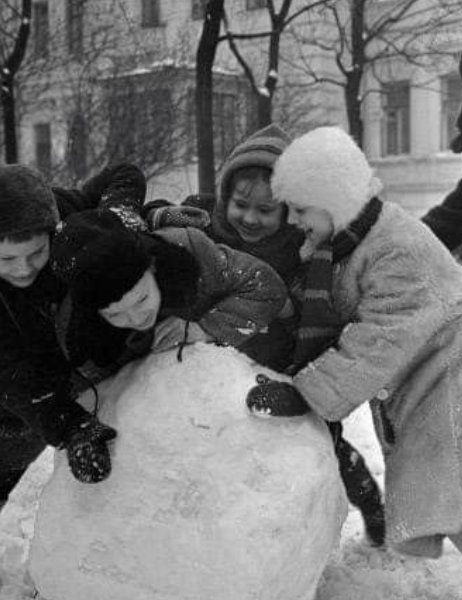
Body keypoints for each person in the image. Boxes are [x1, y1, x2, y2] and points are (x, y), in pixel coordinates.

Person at [0, 161, 146, 600]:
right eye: (7, 259)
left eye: (37, 253)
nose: (24, 268)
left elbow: (124, 173)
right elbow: (1, 367)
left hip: (48, 372)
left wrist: (118, 218)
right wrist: (67, 425)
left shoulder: (65, 210)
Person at [148, 124, 386, 547]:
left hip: (279, 365)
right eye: (241, 204)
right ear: (226, 197)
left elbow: (312, 310)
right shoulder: (206, 226)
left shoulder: (302, 250)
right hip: (215, 365)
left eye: (266, 210)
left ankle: (367, 501)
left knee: (326, 445)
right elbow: (163, 227)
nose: (250, 218)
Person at [245, 125, 462, 559]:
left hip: (451, 387)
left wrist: (308, 392)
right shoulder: (350, 244)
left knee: (452, 491)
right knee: (448, 494)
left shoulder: (396, 248)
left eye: (302, 208)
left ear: (335, 202)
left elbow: (378, 339)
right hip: (429, 387)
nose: (294, 220)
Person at [50, 209, 292, 383]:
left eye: (141, 299)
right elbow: (101, 394)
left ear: (151, 265)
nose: (135, 318)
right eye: (115, 314)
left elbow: (265, 286)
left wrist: (207, 329)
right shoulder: (80, 340)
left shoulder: (187, 250)